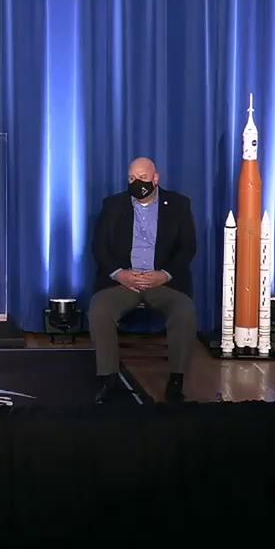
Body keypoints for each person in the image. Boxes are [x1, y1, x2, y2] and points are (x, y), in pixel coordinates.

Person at [89, 157, 198, 403]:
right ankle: (109, 378)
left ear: (156, 178)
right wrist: (120, 274)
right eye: (132, 179)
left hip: (162, 282)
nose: (137, 183)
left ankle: (176, 380)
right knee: (100, 309)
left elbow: (187, 248)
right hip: (124, 281)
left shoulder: (179, 205)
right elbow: (99, 248)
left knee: (185, 310)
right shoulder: (113, 206)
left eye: (143, 178)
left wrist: (164, 275)